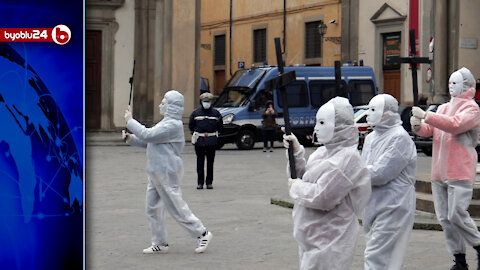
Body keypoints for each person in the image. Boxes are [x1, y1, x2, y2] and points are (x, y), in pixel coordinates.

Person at [283, 97, 371, 270]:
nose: (316, 128)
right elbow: (304, 177)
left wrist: (296, 188)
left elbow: (323, 197)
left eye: (322, 122)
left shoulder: (347, 159)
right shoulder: (323, 152)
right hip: (312, 238)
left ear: (339, 126)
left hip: (330, 240)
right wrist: (296, 154)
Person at [122, 90, 213, 254]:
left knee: (176, 207)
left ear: (171, 106)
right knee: (152, 208)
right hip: (156, 172)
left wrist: (130, 121)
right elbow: (150, 142)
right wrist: (131, 139)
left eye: (163, 102)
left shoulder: (173, 125)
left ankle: (202, 233)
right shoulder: (164, 123)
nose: (160, 105)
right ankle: (159, 241)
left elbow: (147, 135)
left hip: (166, 173)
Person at [411, 67, 480, 270]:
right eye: (449, 83)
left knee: (456, 214)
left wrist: (427, 115)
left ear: (467, 85)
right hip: (438, 172)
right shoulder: (442, 108)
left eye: (455, 83)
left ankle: (478, 244)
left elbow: (455, 125)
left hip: (459, 170)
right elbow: (429, 131)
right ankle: (459, 260)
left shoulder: (472, 109)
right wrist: (417, 125)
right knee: (445, 219)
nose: (451, 87)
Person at [362, 94, 417, 270]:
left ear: (387, 113)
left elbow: (380, 173)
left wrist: (352, 173)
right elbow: (364, 167)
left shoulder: (400, 138)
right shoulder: (371, 137)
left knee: (376, 256)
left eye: (373, 110)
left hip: (394, 205)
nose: (367, 114)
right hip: (372, 204)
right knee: (381, 256)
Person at [189, 92, 223, 189]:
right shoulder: (195, 113)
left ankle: (209, 182)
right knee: (200, 162)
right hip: (200, 140)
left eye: (208, 101)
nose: (206, 103)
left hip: (211, 140)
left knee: (210, 163)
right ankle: (200, 182)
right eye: (205, 101)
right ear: (201, 101)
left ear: (211, 102)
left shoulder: (216, 114)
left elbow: (220, 126)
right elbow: (191, 125)